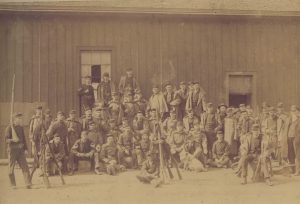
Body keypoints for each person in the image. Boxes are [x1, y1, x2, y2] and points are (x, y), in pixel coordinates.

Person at [5, 112, 31, 189]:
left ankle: (28, 183)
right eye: (18, 118)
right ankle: (13, 184)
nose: (20, 120)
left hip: (20, 150)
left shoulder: (21, 128)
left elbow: (24, 139)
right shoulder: (9, 128)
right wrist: (13, 140)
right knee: (11, 168)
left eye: (20, 118)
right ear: (14, 119)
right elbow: (6, 140)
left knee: (25, 167)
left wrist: (25, 149)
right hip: (12, 150)